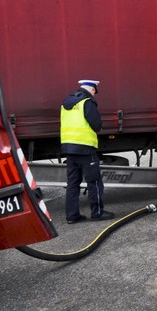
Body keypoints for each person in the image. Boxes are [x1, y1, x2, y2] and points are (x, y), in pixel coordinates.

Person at [61, 79, 115, 223]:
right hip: (85, 148)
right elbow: (96, 125)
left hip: (69, 148)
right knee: (94, 182)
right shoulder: (87, 102)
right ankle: (97, 213)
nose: (94, 95)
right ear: (92, 89)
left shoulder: (66, 102)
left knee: (73, 183)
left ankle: (72, 216)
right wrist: (99, 127)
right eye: (95, 92)